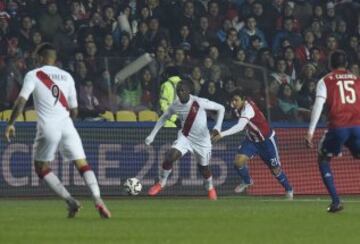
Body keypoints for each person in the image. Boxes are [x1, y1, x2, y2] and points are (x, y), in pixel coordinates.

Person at [4, 43, 111, 218]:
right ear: (54, 58)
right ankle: (98, 200)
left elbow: (21, 101)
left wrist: (11, 123)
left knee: (41, 167)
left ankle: (71, 201)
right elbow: (75, 110)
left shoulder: (34, 75)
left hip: (48, 126)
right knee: (82, 163)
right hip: (67, 125)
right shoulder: (68, 77)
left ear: (40, 58)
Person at [145, 80, 225, 200]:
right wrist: (152, 135)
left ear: (188, 91)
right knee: (169, 157)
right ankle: (161, 183)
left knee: (204, 169)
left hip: (202, 141)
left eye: (183, 90)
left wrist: (217, 127)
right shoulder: (175, 104)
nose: (180, 92)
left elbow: (221, 108)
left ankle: (209, 187)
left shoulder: (199, 102)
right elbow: (163, 118)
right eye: (178, 90)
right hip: (185, 137)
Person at [212, 88, 294, 199]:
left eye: (236, 100)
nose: (233, 103)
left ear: (243, 100)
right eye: (232, 100)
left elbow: (240, 126)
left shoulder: (248, 109)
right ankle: (247, 181)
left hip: (267, 141)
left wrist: (221, 134)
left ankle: (289, 189)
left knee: (275, 169)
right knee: (238, 162)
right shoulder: (236, 107)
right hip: (251, 140)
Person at [305, 50, 360, 213]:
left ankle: (336, 202)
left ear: (330, 64)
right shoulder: (357, 80)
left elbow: (318, 105)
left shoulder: (325, 81)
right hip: (358, 126)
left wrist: (310, 132)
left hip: (338, 127)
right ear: (347, 64)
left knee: (323, 158)